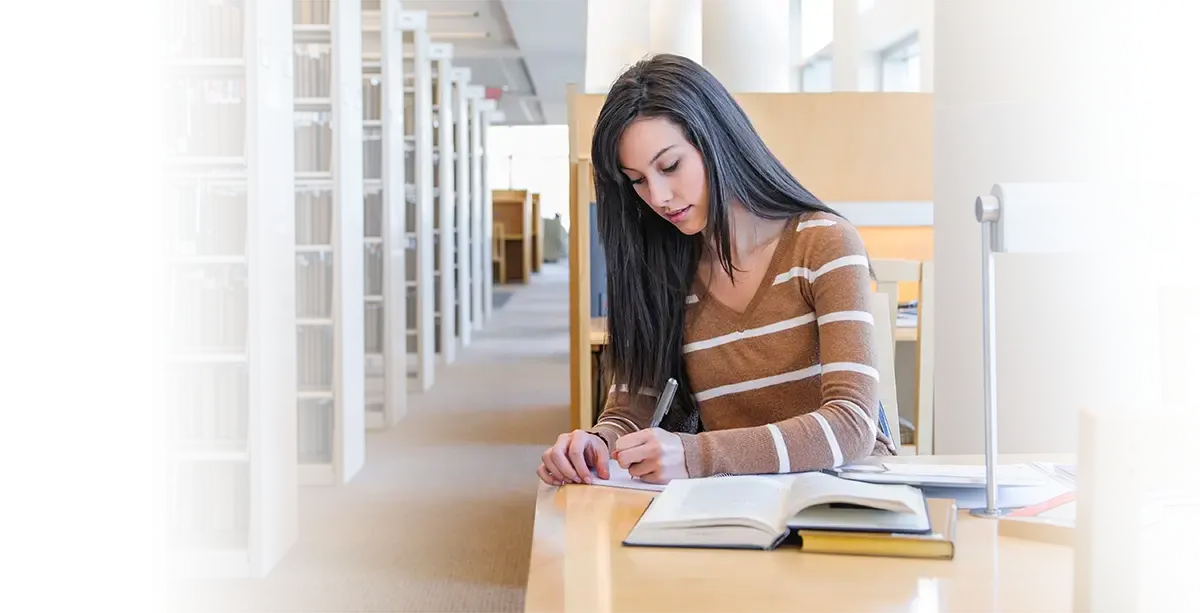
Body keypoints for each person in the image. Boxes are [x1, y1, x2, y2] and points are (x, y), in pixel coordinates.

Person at [537, 54, 896, 487]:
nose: (659, 196)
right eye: (637, 180)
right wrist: (596, 443)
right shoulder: (663, 267)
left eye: (670, 166)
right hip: (734, 502)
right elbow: (631, 409)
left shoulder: (823, 242)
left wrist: (697, 454)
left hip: (841, 497)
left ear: (716, 140)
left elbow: (853, 424)